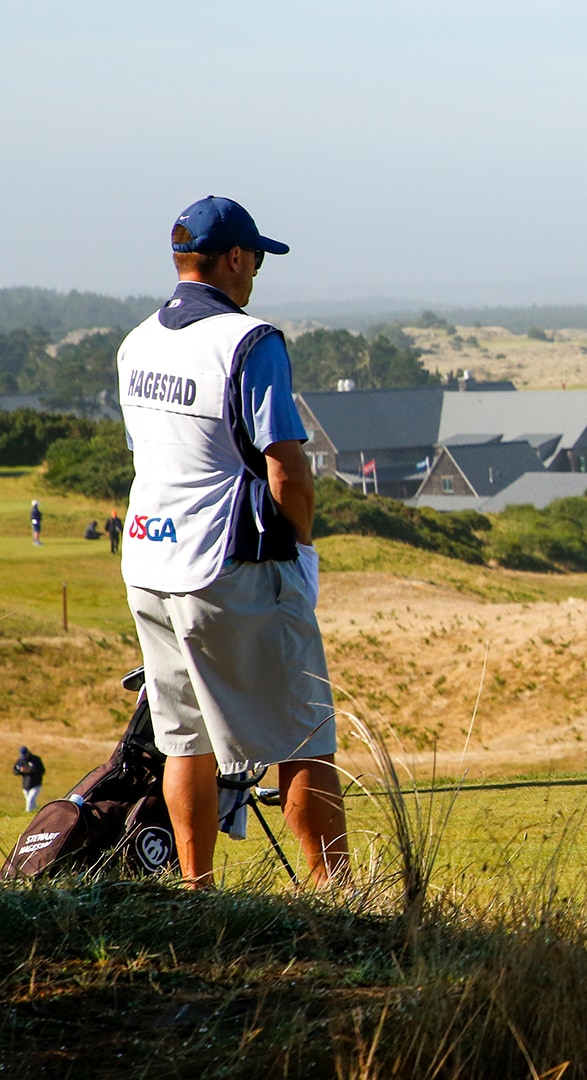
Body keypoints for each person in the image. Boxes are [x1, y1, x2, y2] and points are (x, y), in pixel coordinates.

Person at [116, 196, 345, 888]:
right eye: (255, 262)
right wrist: (298, 552)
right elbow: (287, 469)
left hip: (149, 559)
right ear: (236, 260)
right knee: (303, 733)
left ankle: (197, 888)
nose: (255, 277)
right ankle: (335, 891)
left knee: (183, 738)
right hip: (230, 563)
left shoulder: (136, 342)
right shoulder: (250, 340)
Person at [13, 746, 44, 812]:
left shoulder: (36, 760)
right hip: (25, 786)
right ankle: (36, 813)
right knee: (31, 802)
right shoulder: (20, 761)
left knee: (30, 800)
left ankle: (27, 813)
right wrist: (20, 771)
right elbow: (15, 771)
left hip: (36, 785)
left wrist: (30, 771)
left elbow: (42, 771)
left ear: (28, 753)